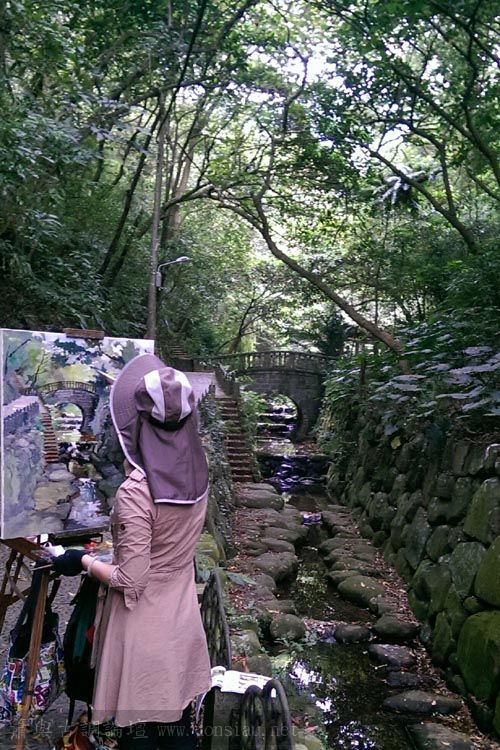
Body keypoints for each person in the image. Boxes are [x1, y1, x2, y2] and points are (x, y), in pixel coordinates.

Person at [52, 354, 212, 749]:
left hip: (142, 628)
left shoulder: (138, 493)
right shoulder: (197, 471)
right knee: (176, 727)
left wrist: (83, 561)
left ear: (135, 426)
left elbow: (131, 579)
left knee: (138, 732)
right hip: (180, 617)